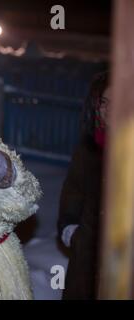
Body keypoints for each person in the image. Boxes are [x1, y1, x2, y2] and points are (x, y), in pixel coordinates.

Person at [57, 71, 110, 299]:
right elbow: (74, 189)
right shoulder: (89, 148)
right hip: (86, 256)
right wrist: (71, 230)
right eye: (104, 103)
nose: (108, 110)